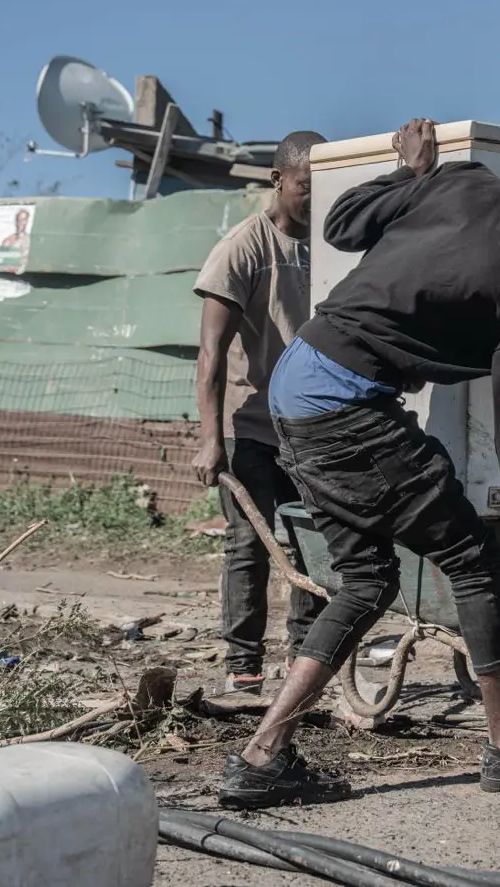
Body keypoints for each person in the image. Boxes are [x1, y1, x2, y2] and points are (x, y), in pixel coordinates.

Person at [218, 118, 500, 807]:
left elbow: (342, 224)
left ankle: (262, 754)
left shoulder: (464, 183)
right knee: (473, 557)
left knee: (364, 580)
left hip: (296, 385)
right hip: (343, 404)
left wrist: (410, 174)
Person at [192, 130, 328, 695]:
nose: (314, 199)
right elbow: (210, 353)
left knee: (312, 541)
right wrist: (209, 439)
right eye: (304, 187)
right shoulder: (244, 248)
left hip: (316, 429)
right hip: (254, 429)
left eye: (324, 188)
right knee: (249, 544)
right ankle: (243, 666)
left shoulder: (332, 246)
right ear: (278, 179)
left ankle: (305, 658)